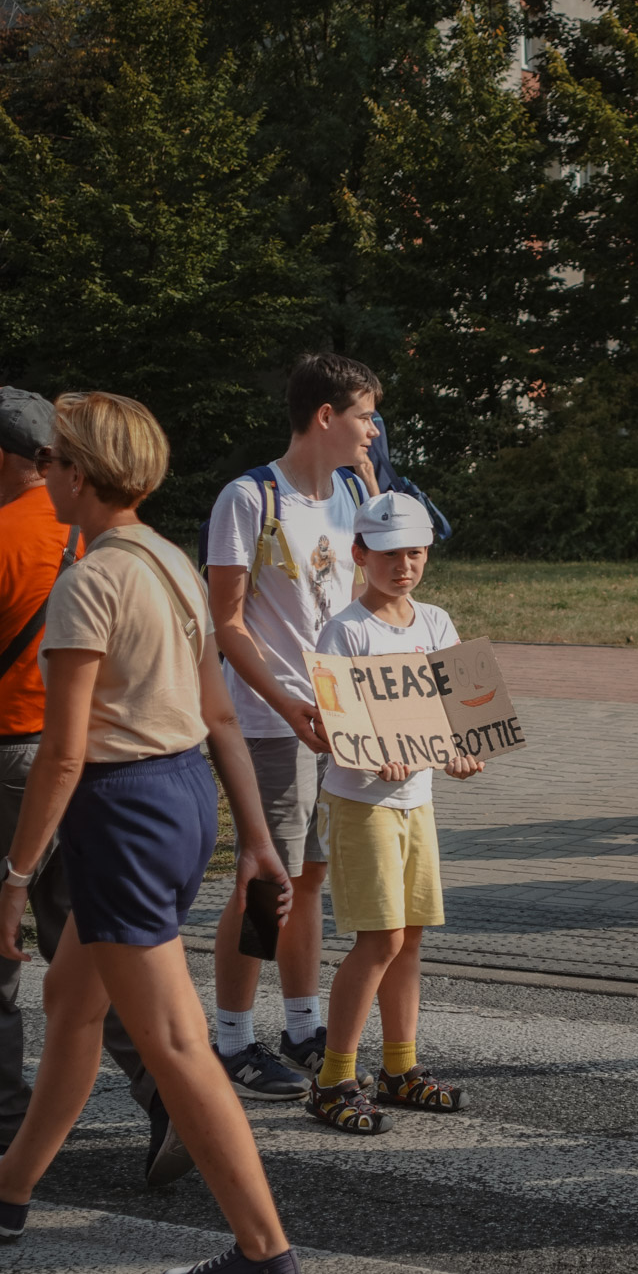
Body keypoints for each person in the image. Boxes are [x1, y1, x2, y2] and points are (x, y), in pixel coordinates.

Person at [0, 391, 299, 1274]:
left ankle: (266, 1254)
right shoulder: (169, 558)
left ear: (80, 474)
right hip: (180, 795)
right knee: (72, 1003)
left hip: (121, 810)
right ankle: (10, 1189)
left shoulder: (89, 581)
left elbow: (62, 754)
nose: (44, 472)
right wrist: (254, 837)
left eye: (54, 460)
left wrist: (14, 877)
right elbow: (219, 715)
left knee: (174, 1043)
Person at [0, 386, 190, 1186]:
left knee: (10, 954)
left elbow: (60, 746)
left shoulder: (18, 539)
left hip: (29, 761)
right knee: (87, 958)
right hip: (123, 775)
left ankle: (9, 1126)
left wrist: (14, 874)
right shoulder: (140, 547)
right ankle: (165, 1094)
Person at [206, 352, 381, 1099]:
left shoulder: (353, 492)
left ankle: (303, 1027)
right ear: (325, 416)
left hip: (336, 718)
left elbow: (372, 596)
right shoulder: (249, 497)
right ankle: (231, 1039)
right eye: (365, 416)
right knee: (264, 879)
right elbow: (226, 622)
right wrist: (285, 703)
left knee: (310, 877)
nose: (374, 430)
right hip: (271, 720)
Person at [305, 492, 482, 1134]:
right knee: (378, 939)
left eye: (414, 553)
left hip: (417, 801)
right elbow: (332, 726)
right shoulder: (346, 630)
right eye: (388, 555)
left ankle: (399, 1069)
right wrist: (373, 752)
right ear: (359, 555)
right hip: (361, 804)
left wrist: (461, 750)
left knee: (409, 937)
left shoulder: (435, 621)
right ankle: (333, 1080)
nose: (403, 566)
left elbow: (460, 708)